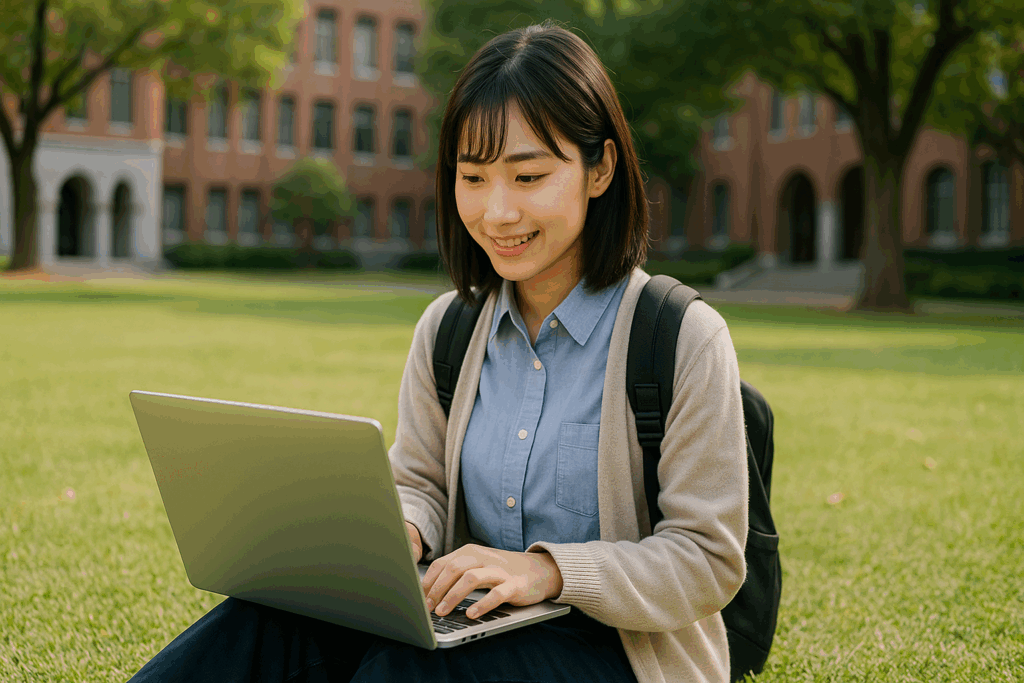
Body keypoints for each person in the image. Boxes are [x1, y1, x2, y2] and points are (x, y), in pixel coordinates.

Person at [127, 21, 748, 683]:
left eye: (528, 175)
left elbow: (706, 557)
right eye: (473, 177)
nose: (497, 211)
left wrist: (547, 570)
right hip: (467, 623)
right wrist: (402, 532)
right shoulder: (448, 330)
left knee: (401, 672)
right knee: (261, 620)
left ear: (599, 169)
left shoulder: (681, 336)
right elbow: (419, 481)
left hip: (622, 654)